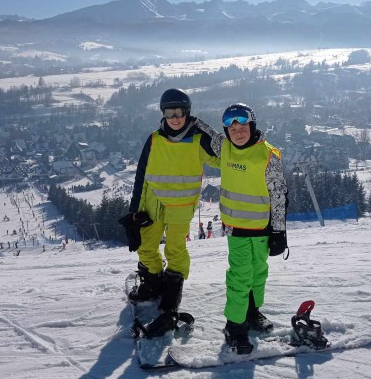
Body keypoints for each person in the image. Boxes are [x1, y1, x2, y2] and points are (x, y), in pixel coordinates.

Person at [195, 103, 288, 354]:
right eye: (231, 128)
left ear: (252, 126)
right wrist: (190, 118)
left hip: (263, 228)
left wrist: (279, 231)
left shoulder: (268, 155)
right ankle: (235, 327)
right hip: (236, 228)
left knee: (259, 273)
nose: (237, 132)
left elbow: (278, 194)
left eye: (242, 126)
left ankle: (252, 312)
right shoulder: (224, 148)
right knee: (240, 276)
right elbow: (206, 133)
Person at [122, 88, 219, 314]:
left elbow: (226, 157)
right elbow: (141, 175)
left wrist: (208, 130)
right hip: (151, 204)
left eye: (180, 112)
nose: (175, 118)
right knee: (146, 246)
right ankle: (153, 283)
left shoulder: (198, 140)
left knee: (175, 249)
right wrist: (133, 211)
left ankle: (173, 289)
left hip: (181, 207)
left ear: (188, 113)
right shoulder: (154, 139)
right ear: (163, 114)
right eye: (170, 113)